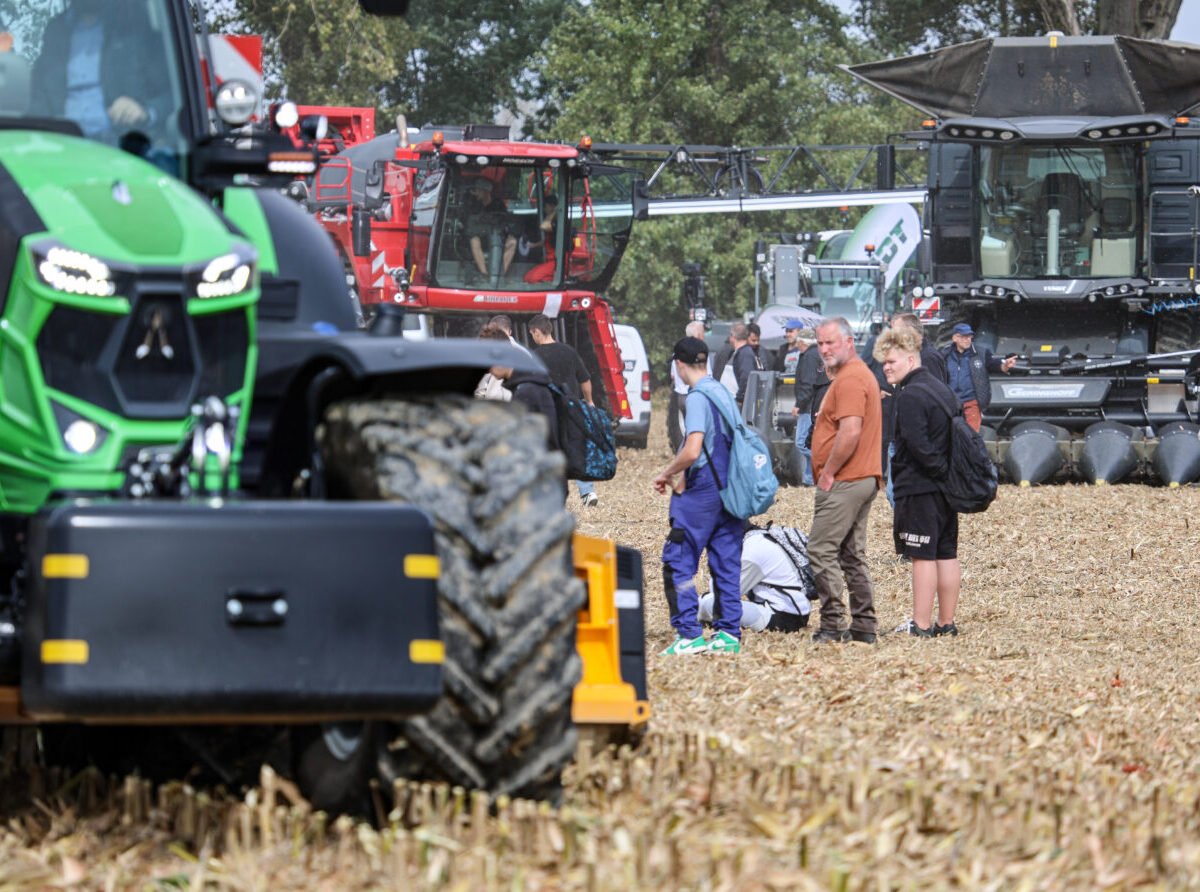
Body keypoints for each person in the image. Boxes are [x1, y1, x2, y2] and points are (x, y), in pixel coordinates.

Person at [653, 337, 743, 654]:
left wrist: (667, 472)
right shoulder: (724, 394)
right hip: (731, 490)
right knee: (726, 562)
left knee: (678, 560)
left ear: (679, 364)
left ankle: (689, 634)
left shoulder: (697, 398)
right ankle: (729, 634)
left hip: (702, 491)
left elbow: (692, 450)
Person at [873, 327, 961, 637]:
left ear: (911, 359)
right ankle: (946, 623)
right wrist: (946, 475)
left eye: (892, 362)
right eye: (884, 363)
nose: (886, 368)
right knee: (946, 553)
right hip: (947, 487)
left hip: (921, 486)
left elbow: (917, 443)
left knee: (922, 555)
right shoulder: (943, 390)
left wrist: (934, 471)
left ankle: (921, 625)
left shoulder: (910, 395)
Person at [808, 317, 883, 644]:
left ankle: (833, 624)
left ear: (849, 341)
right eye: (820, 343)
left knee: (820, 549)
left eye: (830, 343)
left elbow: (850, 431)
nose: (824, 349)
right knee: (851, 552)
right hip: (863, 476)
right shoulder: (858, 374)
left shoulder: (851, 379)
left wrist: (828, 472)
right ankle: (864, 625)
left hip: (847, 479)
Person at [31, 0, 172, 145]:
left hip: (124, 148)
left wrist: (145, 111)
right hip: (60, 146)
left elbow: (179, 90)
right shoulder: (56, 31)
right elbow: (37, 96)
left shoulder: (136, 24)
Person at [528, 313, 599, 507]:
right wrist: (589, 401)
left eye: (532, 333)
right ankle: (588, 493)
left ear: (536, 331)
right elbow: (584, 379)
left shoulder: (535, 356)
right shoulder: (569, 351)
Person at [697, 525, 815, 633]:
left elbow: (723, 593)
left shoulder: (752, 551)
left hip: (782, 617)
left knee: (706, 603)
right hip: (796, 612)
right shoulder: (762, 538)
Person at [941, 322, 1016, 432]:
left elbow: (995, 365)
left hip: (971, 402)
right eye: (964, 337)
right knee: (951, 434)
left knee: (972, 436)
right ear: (955, 338)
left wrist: (1006, 365)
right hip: (951, 403)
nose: (968, 340)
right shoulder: (945, 353)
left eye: (969, 337)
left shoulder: (981, 352)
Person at [463, 178, 517, 282]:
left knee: (513, 242)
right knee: (474, 240)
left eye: (479, 190)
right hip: (480, 236)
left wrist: (509, 234)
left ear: (486, 191)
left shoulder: (499, 205)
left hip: (497, 237)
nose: (476, 193)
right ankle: (485, 274)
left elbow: (504, 221)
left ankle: (499, 275)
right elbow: (470, 224)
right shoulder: (474, 205)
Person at [790, 328, 820, 486]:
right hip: (816, 405)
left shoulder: (808, 357)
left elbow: (808, 384)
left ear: (802, 343)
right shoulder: (818, 354)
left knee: (802, 442)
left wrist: (799, 405)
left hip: (808, 407)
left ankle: (823, 467)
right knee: (809, 441)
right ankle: (810, 478)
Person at [521, 195, 562, 283]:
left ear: (552, 207)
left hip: (558, 262)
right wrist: (533, 245)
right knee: (527, 277)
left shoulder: (560, 223)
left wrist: (554, 212)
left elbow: (543, 226)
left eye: (545, 207)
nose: (544, 210)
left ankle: (561, 278)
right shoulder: (552, 222)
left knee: (533, 279)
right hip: (550, 261)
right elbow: (548, 241)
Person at [733, 322, 764, 406]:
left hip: (750, 399)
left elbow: (746, 377)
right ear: (746, 337)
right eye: (753, 340)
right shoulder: (753, 352)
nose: (756, 343)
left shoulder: (746, 353)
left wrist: (740, 398)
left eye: (758, 340)